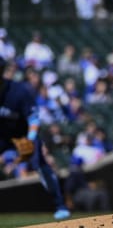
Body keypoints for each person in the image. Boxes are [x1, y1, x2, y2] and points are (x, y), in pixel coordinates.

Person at [0, 57, 71, 220]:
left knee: (40, 164)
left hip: (24, 134)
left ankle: (60, 205)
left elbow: (33, 118)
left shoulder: (18, 91)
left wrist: (31, 139)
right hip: (2, 136)